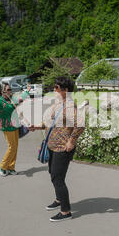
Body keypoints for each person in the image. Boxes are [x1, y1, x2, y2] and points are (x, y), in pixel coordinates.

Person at [29, 76, 85, 222]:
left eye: (56, 88)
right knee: (53, 174)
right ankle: (59, 199)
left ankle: (66, 212)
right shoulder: (59, 105)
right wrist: (37, 126)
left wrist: (71, 141)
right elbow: (50, 122)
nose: (53, 90)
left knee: (57, 178)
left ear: (65, 90)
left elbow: (81, 124)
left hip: (62, 148)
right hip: (52, 146)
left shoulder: (70, 106)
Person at [0, 82, 31, 177]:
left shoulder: (11, 99)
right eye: (8, 90)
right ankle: (2, 166)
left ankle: (11, 167)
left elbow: (20, 99)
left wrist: (27, 91)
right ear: (2, 92)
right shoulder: (0, 101)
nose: (10, 91)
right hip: (7, 127)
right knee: (11, 147)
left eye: (10, 89)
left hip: (15, 125)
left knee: (15, 148)